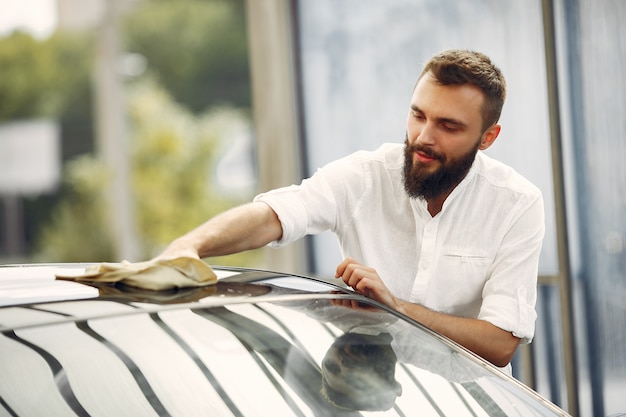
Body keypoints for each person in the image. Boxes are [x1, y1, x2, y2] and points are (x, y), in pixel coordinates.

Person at [157, 49, 545, 372]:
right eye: (418, 115)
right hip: (366, 399)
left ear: (487, 138)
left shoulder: (517, 204)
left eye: (448, 126)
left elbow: (499, 343)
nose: (424, 137)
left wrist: (395, 308)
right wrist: (187, 247)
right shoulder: (365, 175)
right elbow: (277, 213)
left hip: (466, 407)